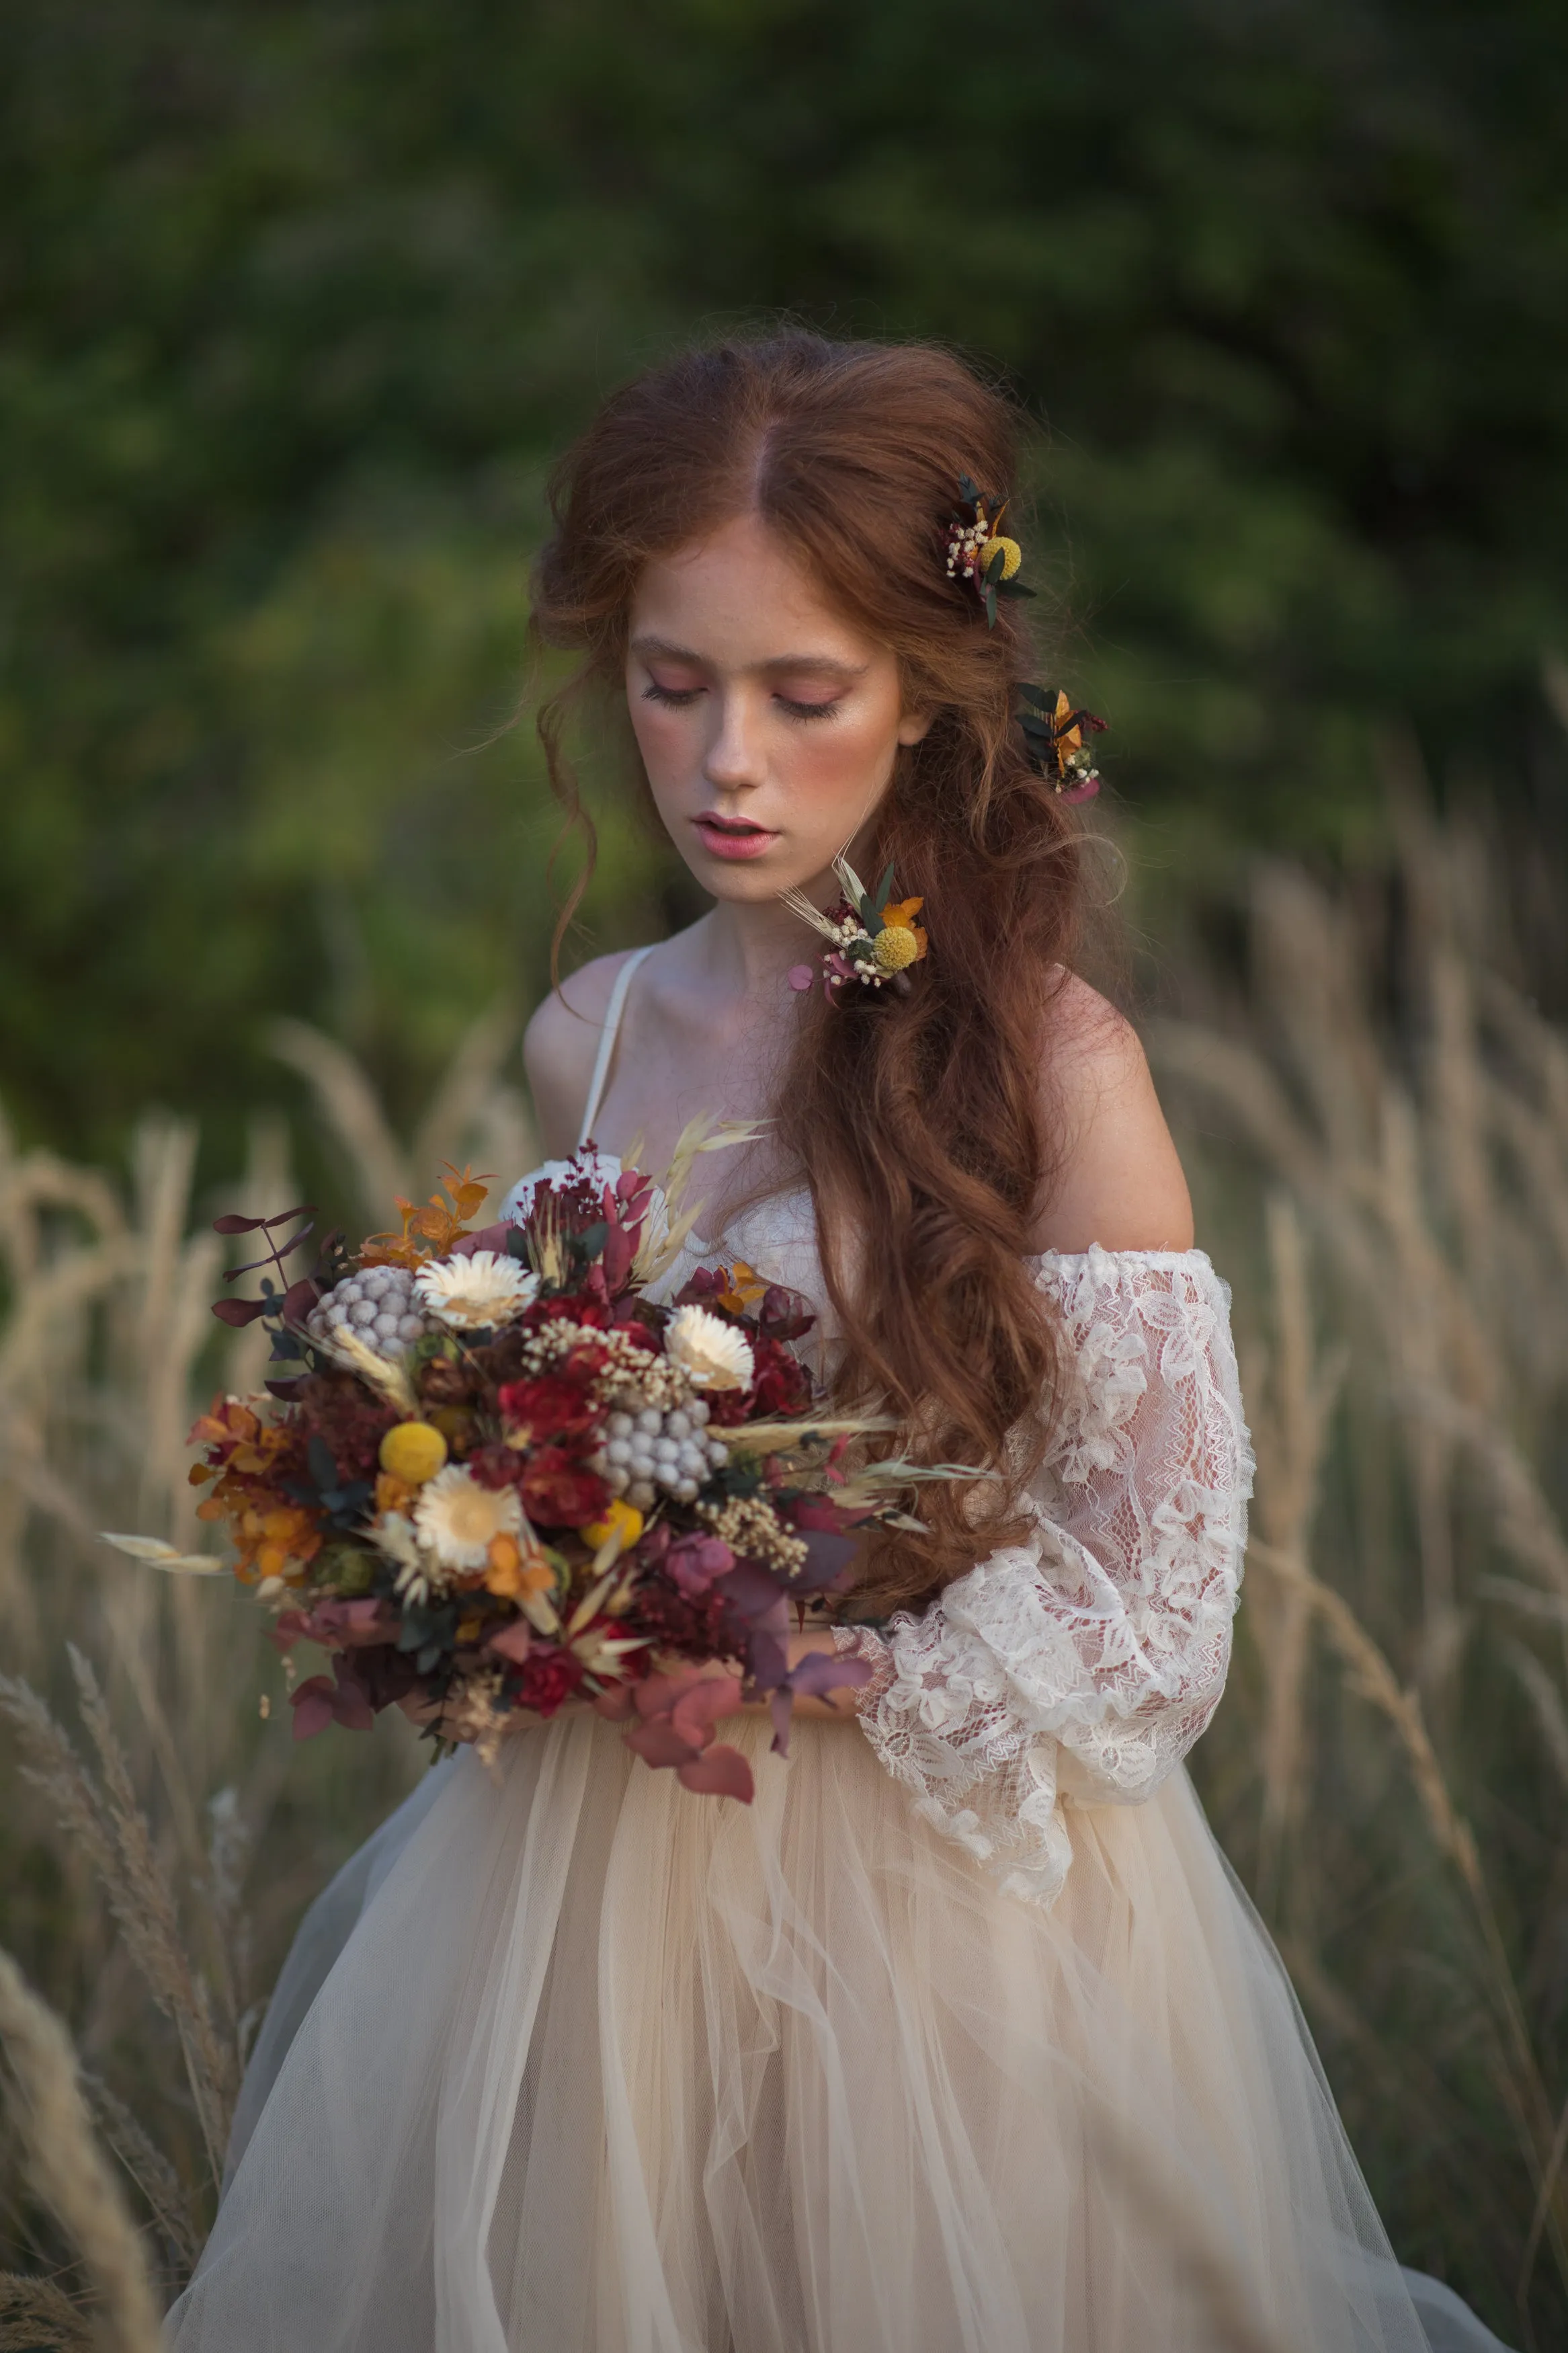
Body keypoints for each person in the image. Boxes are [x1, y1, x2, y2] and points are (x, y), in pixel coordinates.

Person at [167, 334, 1508, 2352]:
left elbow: (1157, 1606)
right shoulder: (589, 1032)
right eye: (666, 681)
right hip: (584, 1883)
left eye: (802, 697)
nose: (725, 763)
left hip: (939, 1909)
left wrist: (798, 1659)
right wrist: (495, 1562)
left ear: (920, 693)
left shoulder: (1048, 1063)